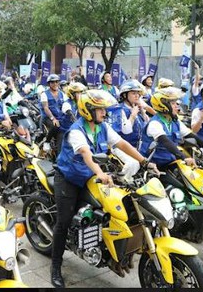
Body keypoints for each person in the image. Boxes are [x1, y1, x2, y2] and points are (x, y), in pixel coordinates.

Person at [51, 89, 158, 288]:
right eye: (100, 109)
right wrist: (100, 173)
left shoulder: (103, 127)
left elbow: (122, 143)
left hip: (91, 177)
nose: (104, 112)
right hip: (70, 178)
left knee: (112, 209)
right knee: (64, 221)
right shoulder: (76, 131)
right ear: (88, 110)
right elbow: (86, 154)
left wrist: (144, 162)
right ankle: (55, 266)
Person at [139, 87, 203, 170]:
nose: (177, 106)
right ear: (163, 106)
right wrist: (184, 157)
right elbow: (166, 142)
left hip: (170, 161)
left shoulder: (174, 121)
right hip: (154, 165)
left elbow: (191, 136)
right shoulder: (155, 123)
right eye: (173, 103)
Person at [108, 79, 149, 150]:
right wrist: (133, 115)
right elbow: (126, 130)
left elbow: (147, 125)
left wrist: (142, 111)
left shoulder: (136, 107)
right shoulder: (119, 110)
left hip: (138, 148)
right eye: (133, 93)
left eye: (138, 93)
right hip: (123, 150)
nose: (137, 96)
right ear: (125, 95)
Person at [39, 73, 66, 154]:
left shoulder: (62, 94)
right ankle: (47, 141)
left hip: (60, 117)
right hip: (47, 118)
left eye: (56, 82)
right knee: (56, 125)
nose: (55, 84)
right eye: (52, 82)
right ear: (49, 84)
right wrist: (53, 118)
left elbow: (65, 106)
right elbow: (46, 108)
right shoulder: (44, 94)